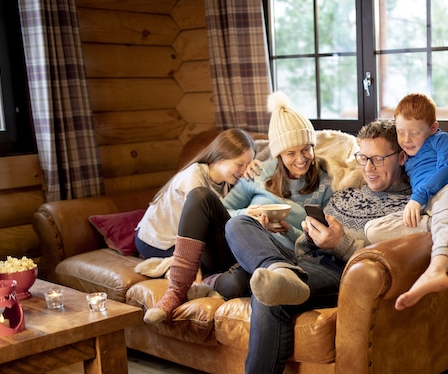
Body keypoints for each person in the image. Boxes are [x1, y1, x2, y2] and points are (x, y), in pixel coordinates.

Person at [194, 119, 410, 374]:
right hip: (301, 259)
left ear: (402, 157)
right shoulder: (346, 194)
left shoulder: (408, 205)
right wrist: (301, 233)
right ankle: (278, 269)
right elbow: (308, 237)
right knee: (239, 223)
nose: (368, 167)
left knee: (270, 296)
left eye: (378, 159)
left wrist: (337, 243)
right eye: (363, 158)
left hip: (344, 272)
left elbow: (391, 253)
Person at [143, 92, 334, 324]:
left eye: (306, 149)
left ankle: (208, 283)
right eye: (290, 153)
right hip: (231, 245)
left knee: (242, 284)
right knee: (200, 195)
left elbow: (321, 242)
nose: (301, 159)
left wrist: (288, 231)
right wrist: (247, 215)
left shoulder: (325, 185)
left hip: (271, 259)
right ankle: (176, 291)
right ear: (279, 154)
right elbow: (220, 211)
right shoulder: (260, 172)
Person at [364, 93, 448, 311]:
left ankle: (436, 270)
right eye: (401, 133)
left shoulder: (443, 140)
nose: (406, 139)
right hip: (432, 209)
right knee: (373, 229)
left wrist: (418, 197)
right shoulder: (406, 156)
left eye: (414, 133)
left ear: (433, 128)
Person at [135, 128, 256, 260]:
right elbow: (208, 222)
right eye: (240, 165)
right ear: (220, 157)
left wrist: (254, 171)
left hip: (182, 238)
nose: (244, 171)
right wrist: (244, 214)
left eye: (248, 165)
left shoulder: (228, 181)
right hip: (155, 242)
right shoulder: (193, 177)